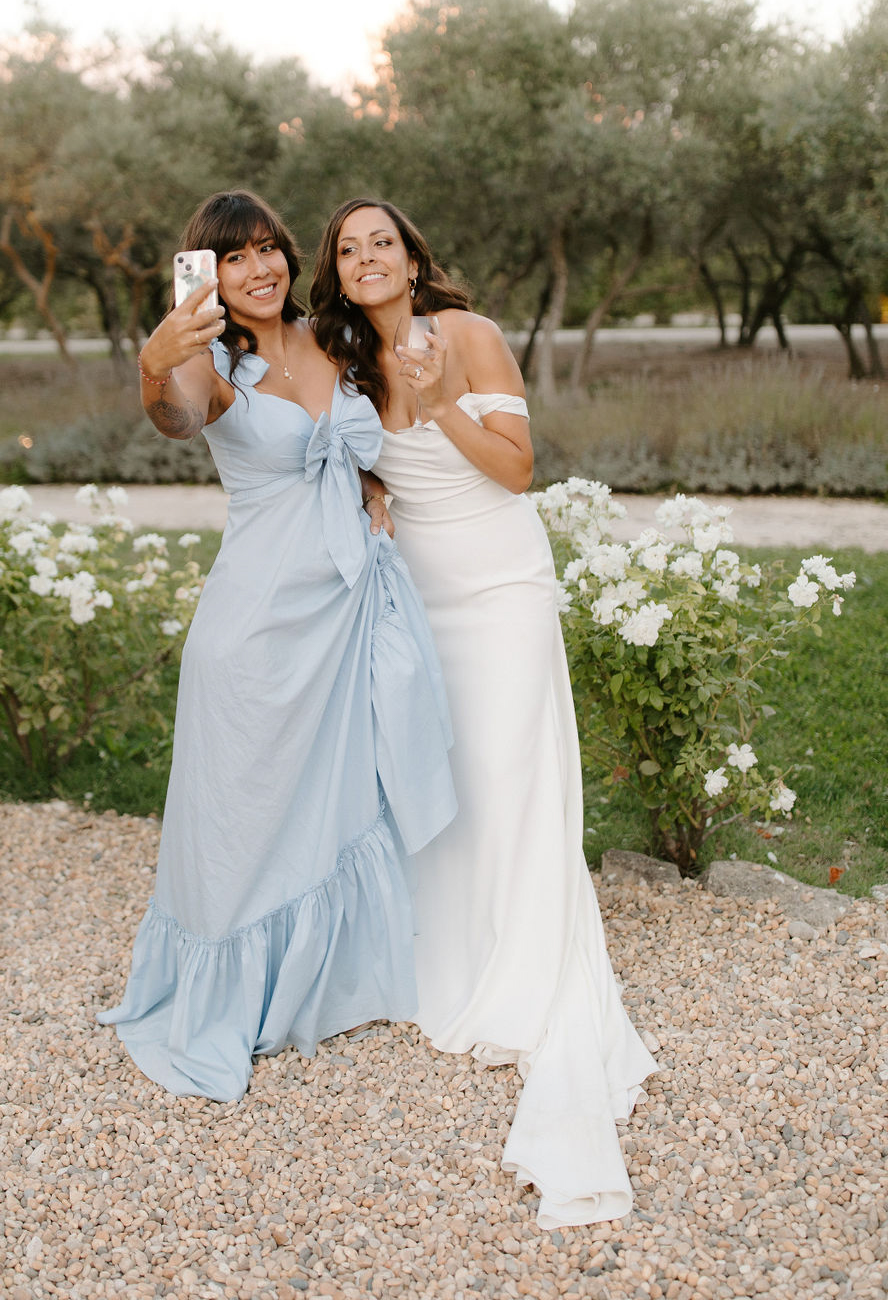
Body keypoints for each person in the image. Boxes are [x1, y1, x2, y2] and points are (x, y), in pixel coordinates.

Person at [310, 198, 657, 1230]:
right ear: (337, 272)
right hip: (420, 603)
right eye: (348, 247)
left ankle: (528, 971)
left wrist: (439, 398)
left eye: (384, 242)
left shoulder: (466, 337)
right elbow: (363, 474)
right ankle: (451, 960)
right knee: (447, 778)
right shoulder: (340, 362)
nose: (368, 257)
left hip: (501, 590)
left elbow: (517, 471)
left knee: (511, 774)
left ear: (412, 261)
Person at [98, 190, 456, 1101]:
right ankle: (226, 999)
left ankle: (326, 983)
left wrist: (372, 482)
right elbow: (181, 417)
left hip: (340, 612)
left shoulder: (332, 341)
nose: (257, 270)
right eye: (232, 258)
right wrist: (154, 364)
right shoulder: (212, 362)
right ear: (207, 275)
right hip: (256, 630)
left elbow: (366, 435)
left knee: (328, 804)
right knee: (242, 820)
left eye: (268, 251)